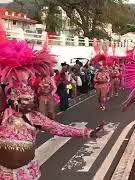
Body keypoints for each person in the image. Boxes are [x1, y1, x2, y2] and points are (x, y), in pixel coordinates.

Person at [0, 32, 105, 180]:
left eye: (30, 99)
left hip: (27, 174)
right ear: (13, 100)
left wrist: (86, 132)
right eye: (24, 99)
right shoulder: (2, 116)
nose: (28, 103)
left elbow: (60, 128)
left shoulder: (34, 118)